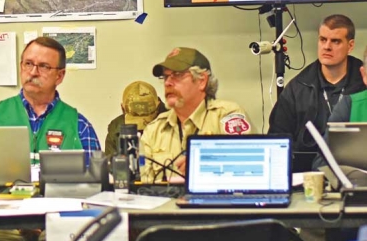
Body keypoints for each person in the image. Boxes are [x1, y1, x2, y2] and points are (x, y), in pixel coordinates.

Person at [0, 36, 101, 241]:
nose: (33, 72)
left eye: (43, 66)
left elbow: (95, 186)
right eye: (28, 64)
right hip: (5, 221)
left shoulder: (79, 125)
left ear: (59, 76)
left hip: (59, 220)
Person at [140, 47, 254, 182]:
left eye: (177, 75)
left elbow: (249, 169)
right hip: (165, 202)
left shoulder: (227, 116)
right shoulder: (154, 130)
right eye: (165, 76)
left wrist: (205, 165)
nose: (168, 83)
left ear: (202, 81)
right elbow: (142, 187)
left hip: (214, 202)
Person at [268, 14, 366, 172]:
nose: (327, 47)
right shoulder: (297, 88)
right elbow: (277, 141)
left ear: (350, 45)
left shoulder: (364, 82)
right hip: (305, 176)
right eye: (322, 39)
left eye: (335, 41)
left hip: (358, 173)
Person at [104, 81, 167, 159]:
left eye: (146, 121)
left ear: (158, 106)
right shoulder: (115, 128)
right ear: (122, 108)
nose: (140, 129)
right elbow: (111, 165)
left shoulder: (173, 122)